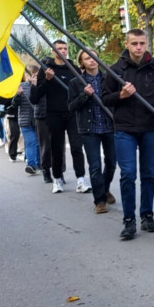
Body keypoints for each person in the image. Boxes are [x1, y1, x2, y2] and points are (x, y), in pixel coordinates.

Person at [103, 29, 154, 241]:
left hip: (149, 129)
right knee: (128, 174)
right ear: (127, 44)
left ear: (146, 44)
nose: (138, 47)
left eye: (142, 43)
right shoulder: (115, 71)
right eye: (134, 43)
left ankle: (147, 215)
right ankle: (129, 220)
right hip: (124, 129)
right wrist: (121, 94)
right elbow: (105, 98)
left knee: (149, 174)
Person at [31, 40, 89, 194]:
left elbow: (81, 90)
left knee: (77, 147)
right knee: (56, 148)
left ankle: (81, 180)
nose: (63, 51)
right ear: (53, 51)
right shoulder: (47, 69)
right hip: (54, 114)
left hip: (72, 113)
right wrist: (48, 80)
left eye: (65, 48)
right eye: (59, 49)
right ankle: (57, 179)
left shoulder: (73, 68)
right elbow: (36, 96)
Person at [68, 49, 117, 214]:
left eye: (94, 56)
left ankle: (104, 187)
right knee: (95, 165)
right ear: (82, 62)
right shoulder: (76, 82)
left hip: (109, 125)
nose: (92, 60)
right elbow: (71, 106)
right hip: (89, 129)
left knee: (111, 162)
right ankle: (100, 201)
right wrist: (84, 94)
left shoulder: (108, 78)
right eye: (87, 58)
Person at [14, 67, 41, 175]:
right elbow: (15, 104)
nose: (33, 77)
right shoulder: (21, 87)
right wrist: (18, 95)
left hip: (38, 120)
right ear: (26, 75)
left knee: (39, 143)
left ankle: (39, 164)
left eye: (36, 75)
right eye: (31, 75)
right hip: (25, 121)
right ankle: (31, 165)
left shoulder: (41, 86)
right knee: (31, 142)